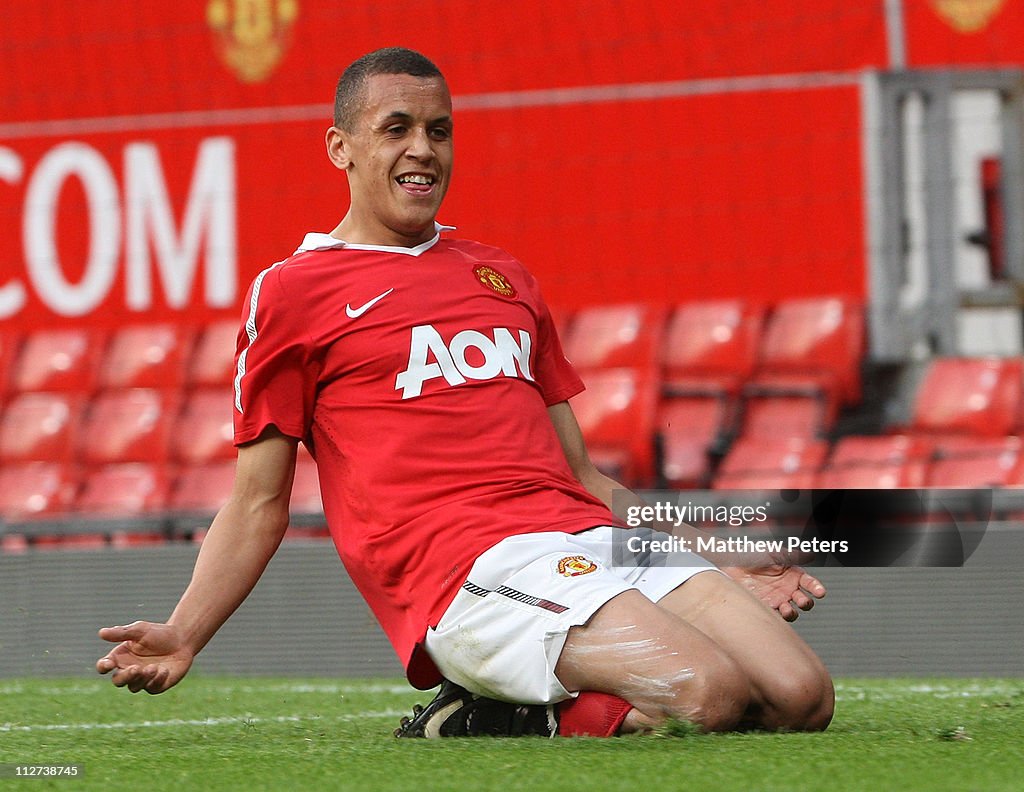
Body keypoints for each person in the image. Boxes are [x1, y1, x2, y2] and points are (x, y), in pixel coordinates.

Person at [97, 47, 834, 738]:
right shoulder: (293, 292)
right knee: (707, 694)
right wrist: (186, 630)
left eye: (438, 130)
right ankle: (491, 717)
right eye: (397, 128)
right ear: (340, 147)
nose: (423, 148)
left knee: (802, 698)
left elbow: (583, 476)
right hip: (468, 572)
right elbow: (258, 501)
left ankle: (518, 699)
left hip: (586, 536)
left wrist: (721, 553)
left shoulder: (503, 274)